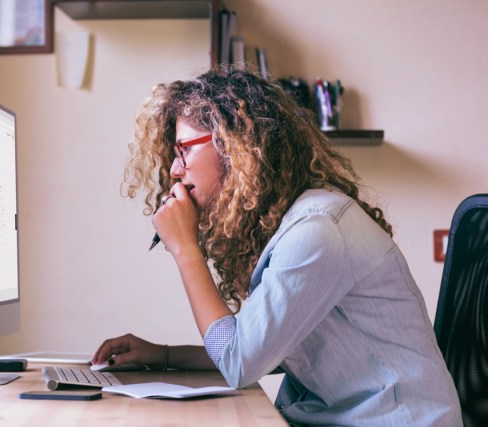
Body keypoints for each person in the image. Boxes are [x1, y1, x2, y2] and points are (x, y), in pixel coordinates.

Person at [92, 68, 461, 426]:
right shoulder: (292, 226)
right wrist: (163, 356)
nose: (175, 169)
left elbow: (240, 362)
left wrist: (185, 248)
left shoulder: (317, 231)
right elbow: (264, 348)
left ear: (233, 145)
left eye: (184, 149)